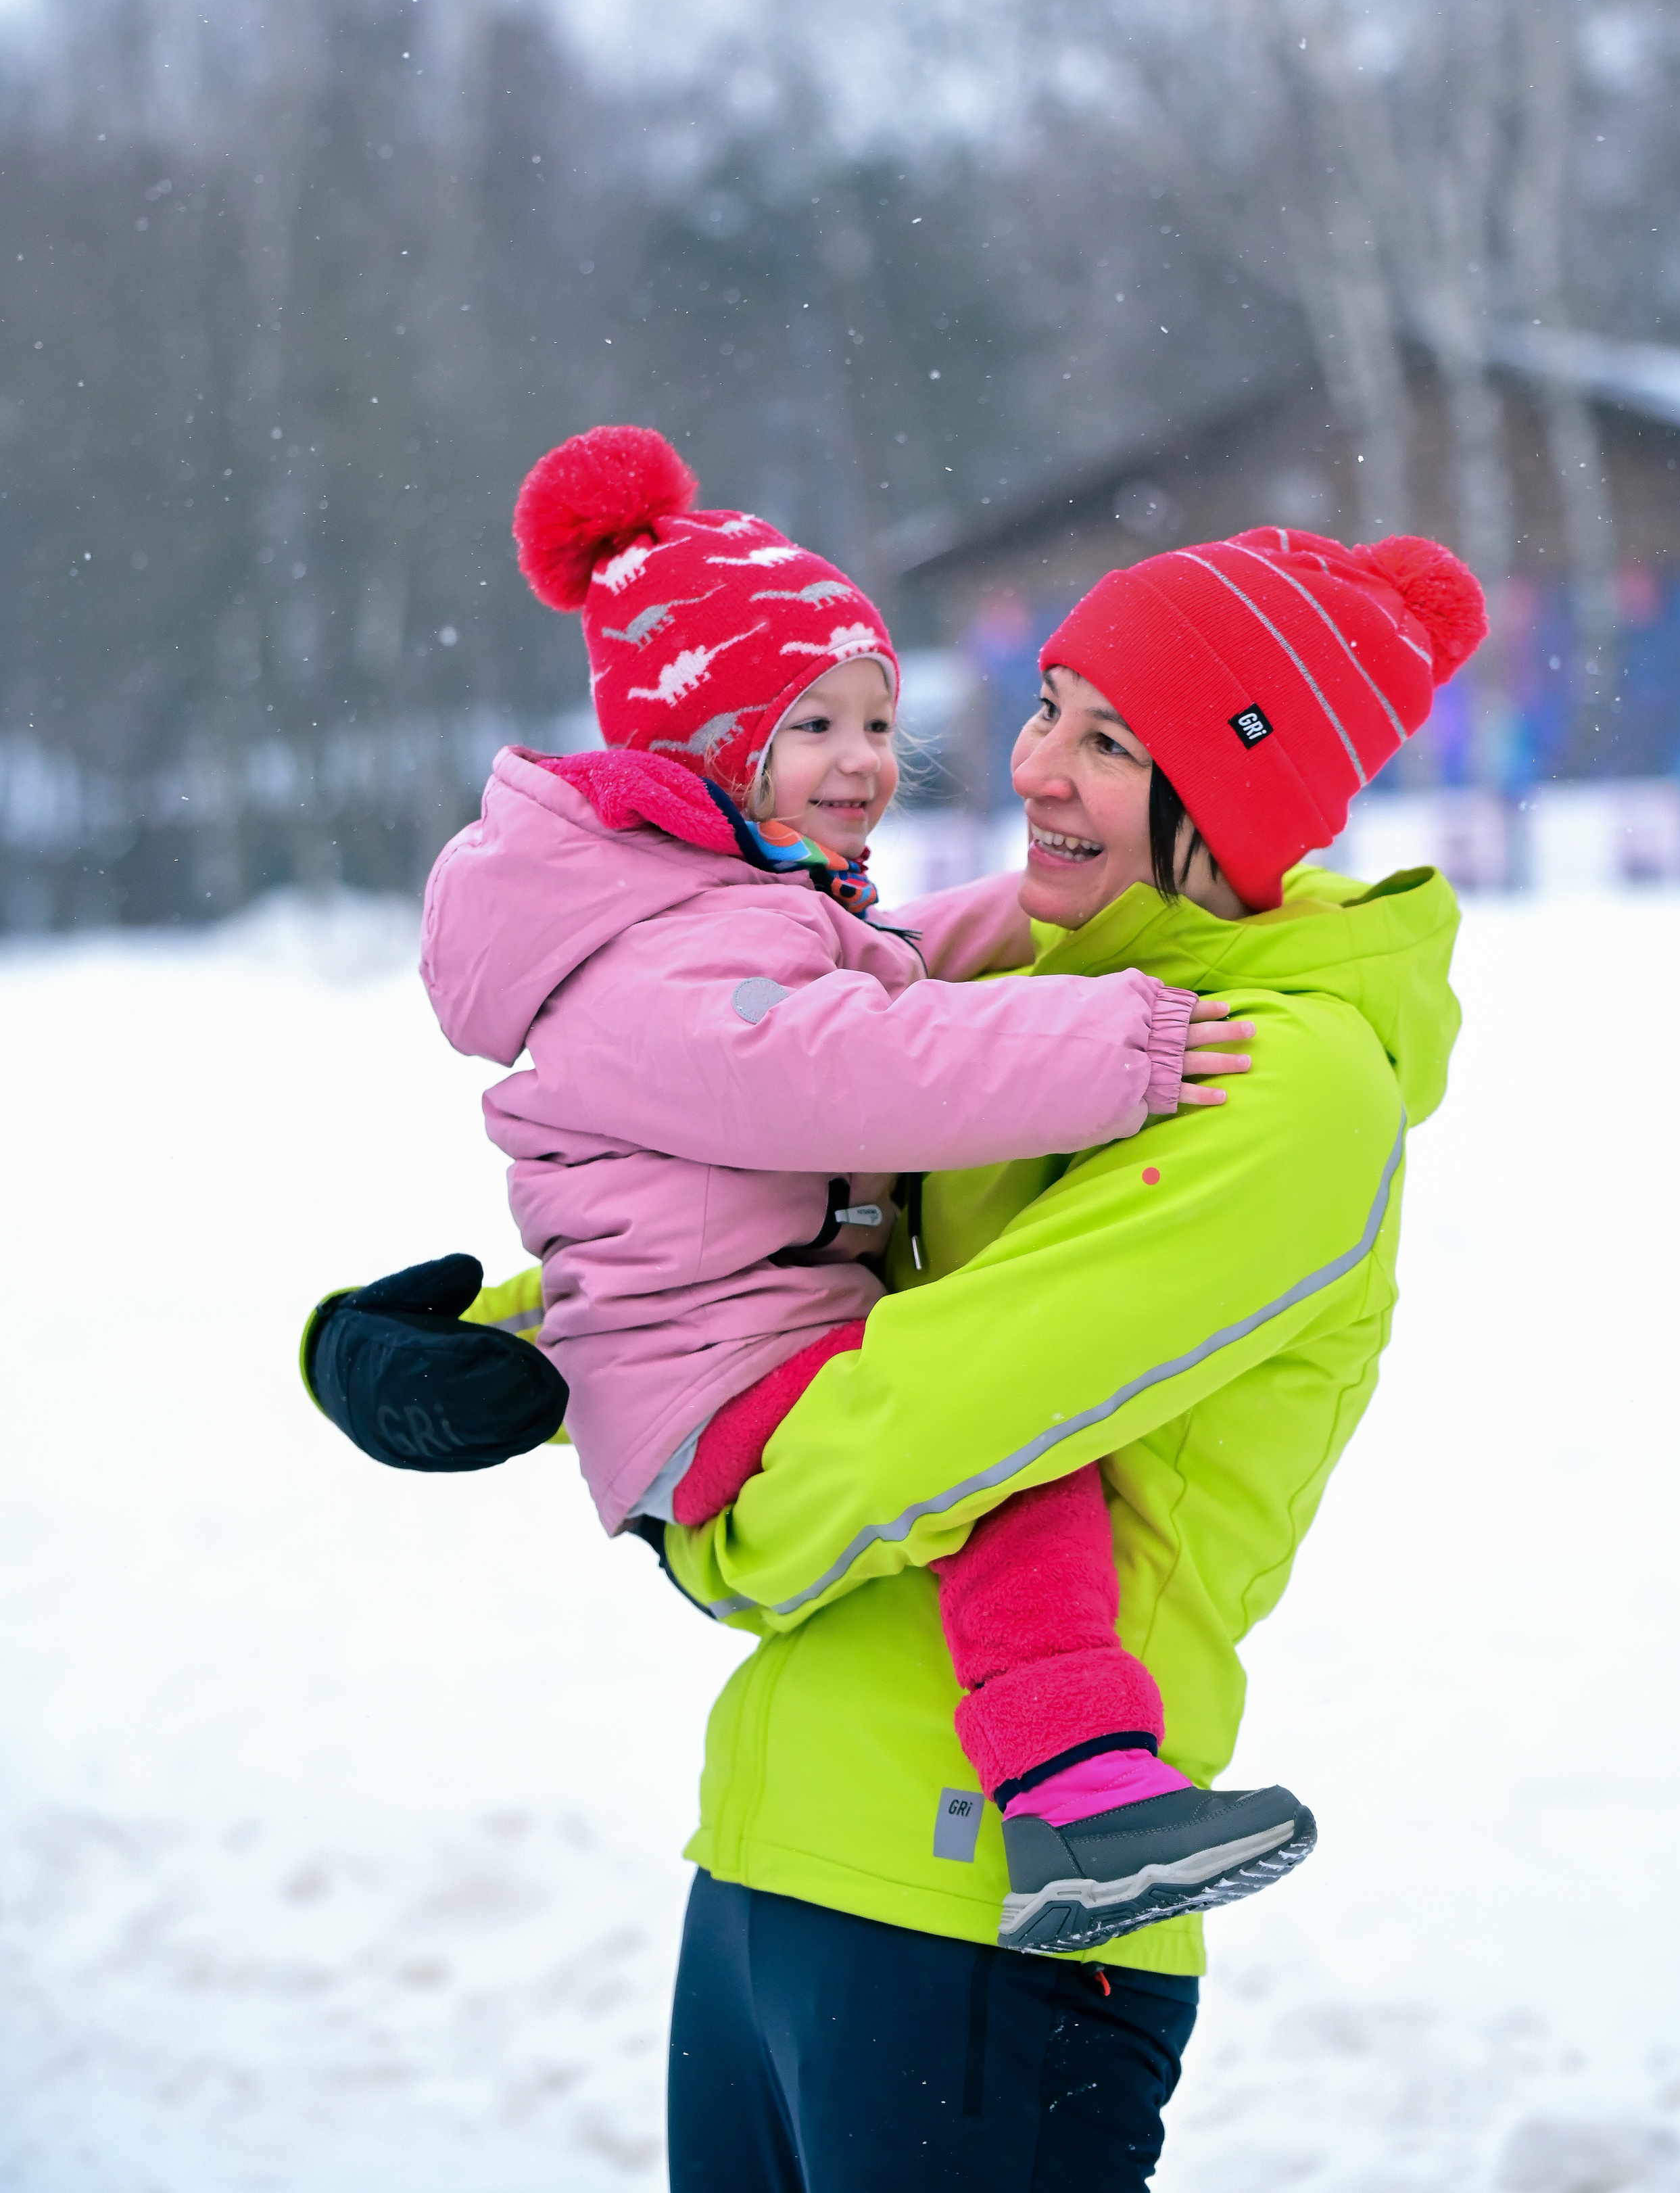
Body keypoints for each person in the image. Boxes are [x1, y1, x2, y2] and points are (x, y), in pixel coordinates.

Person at [306, 501, 1483, 2186]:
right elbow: (750, 1214)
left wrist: (714, 1510)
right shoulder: (1021, 979)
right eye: (1046, 711)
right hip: (777, 1863)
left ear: (1228, 793)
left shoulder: (1273, 1075)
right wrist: (484, 1350)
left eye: (1105, 742)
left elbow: (936, 1397)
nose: (1033, 770)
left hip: (986, 1908)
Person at [416, 423, 1312, 1946]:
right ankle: (1082, 1795)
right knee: (1004, 1456)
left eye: (879, 721)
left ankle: (1078, 1787)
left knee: (986, 1449)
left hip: (717, 1350)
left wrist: (1080, 917)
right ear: (704, 749)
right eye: (813, 724)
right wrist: (1117, 1041)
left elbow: (892, 969)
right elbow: (850, 1066)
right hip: (712, 1384)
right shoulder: (676, 950)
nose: (863, 764)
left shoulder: (718, 904)